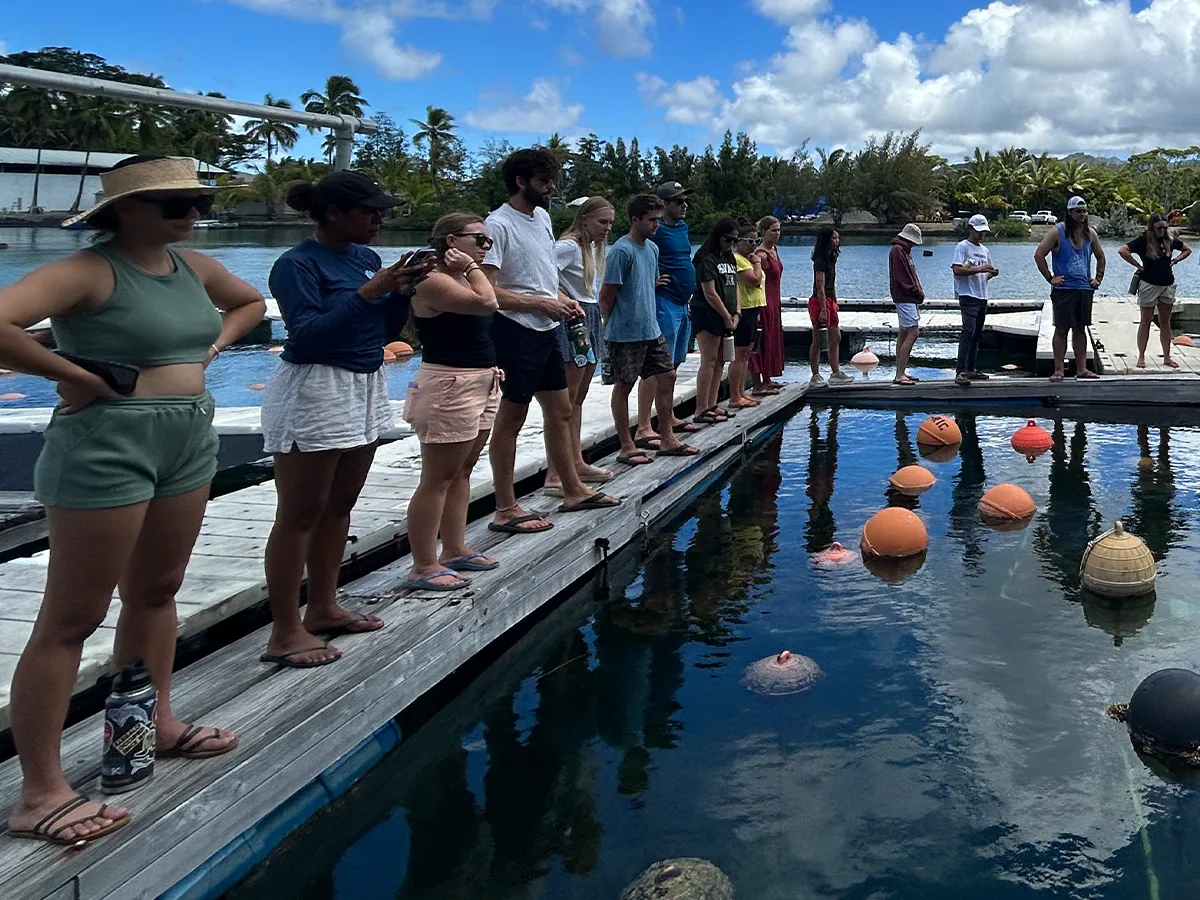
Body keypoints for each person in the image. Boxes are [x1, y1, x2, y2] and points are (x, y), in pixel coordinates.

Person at [0, 155, 264, 843]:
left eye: (197, 200)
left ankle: (156, 723)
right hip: (106, 443)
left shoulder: (193, 269)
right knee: (73, 615)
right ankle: (40, 792)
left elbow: (249, 303)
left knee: (159, 590)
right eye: (173, 202)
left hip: (186, 436)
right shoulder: (89, 270)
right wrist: (73, 375)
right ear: (124, 209)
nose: (191, 212)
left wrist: (212, 347)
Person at [261, 171, 427, 668]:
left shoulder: (365, 259)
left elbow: (380, 328)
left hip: (364, 381)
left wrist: (399, 291)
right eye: (369, 211)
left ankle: (324, 606)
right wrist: (370, 292)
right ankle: (284, 629)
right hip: (315, 386)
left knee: (339, 505)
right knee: (299, 512)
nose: (379, 220)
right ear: (333, 213)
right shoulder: (295, 265)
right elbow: (308, 335)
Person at [483, 148, 621, 534]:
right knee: (511, 419)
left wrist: (563, 301)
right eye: (544, 183)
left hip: (548, 328)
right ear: (521, 182)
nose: (551, 189)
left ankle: (571, 488)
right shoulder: (497, 225)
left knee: (561, 410)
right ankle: (506, 507)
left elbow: (542, 276)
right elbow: (488, 291)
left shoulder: (542, 218)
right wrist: (538, 303)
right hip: (515, 330)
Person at [402, 214, 501, 591]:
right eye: (478, 239)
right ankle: (423, 563)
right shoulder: (431, 279)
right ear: (450, 241)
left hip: (481, 379)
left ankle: (454, 547)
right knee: (437, 477)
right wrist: (474, 268)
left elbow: (491, 296)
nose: (484, 247)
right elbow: (487, 302)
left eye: (487, 242)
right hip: (449, 383)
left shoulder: (462, 277)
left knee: (462, 470)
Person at [600, 194, 698, 465]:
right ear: (636, 219)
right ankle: (626, 445)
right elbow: (607, 293)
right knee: (624, 385)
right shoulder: (621, 251)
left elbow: (648, 282)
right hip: (625, 332)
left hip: (651, 328)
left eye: (658, 219)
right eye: (652, 220)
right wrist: (608, 323)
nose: (657, 225)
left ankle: (667, 437)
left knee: (667, 376)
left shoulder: (652, 249)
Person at [543, 197, 615, 496]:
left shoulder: (592, 247)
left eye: (610, 223)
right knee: (566, 400)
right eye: (602, 222)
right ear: (583, 219)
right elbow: (544, 273)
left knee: (580, 396)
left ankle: (575, 460)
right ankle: (555, 473)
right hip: (572, 318)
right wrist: (562, 296)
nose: (606, 229)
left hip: (589, 313)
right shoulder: (568, 246)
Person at [636, 181, 704, 448]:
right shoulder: (657, 230)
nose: (684, 205)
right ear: (664, 205)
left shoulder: (682, 227)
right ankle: (643, 425)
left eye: (685, 200)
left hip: (681, 303)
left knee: (673, 365)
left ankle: (668, 415)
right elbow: (638, 252)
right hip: (663, 302)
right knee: (656, 366)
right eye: (678, 201)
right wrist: (650, 280)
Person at [1034, 195, 1105, 382]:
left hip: (1084, 288)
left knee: (1081, 329)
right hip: (1064, 289)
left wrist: (1097, 279)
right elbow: (1039, 254)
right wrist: (1050, 277)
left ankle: (1082, 369)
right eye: (1077, 211)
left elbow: (1101, 257)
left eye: (1084, 211)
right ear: (1069, 212)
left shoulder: (1091, 234)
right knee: (1062, 329)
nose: (1082, 214)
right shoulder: (1057, 232)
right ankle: (1058, 370)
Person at [1120, 212, 1191, 369]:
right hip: (1148, 283)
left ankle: (1167, 357)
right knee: (1145, 321)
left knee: (1165, 322)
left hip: (1167, 283)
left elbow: (1187, 249)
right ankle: (1141, 357)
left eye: (1164, 227)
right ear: (1152, 227)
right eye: (1159, 228)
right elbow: (1123, 250)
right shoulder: (1143, 240)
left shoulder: (1169, 239)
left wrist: (1176, 260)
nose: (1162, 230)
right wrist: (1138, 265)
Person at [690, 217, 741, 423]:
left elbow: (734, 285)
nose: (732, 244)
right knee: (709, 360)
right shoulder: (706, 258)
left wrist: (736, 312)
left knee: (721, 360)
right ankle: (701, 408)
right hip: (708, 313)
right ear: (718, 237)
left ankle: (712, 404)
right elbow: (709, 292)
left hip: (728, 314)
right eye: (728, 240)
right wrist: (725, 315)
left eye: (735, 240)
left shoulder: (729, 257)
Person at [951, 214, 1000, 386]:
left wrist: (991, 274)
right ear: (970, 229)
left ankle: (971, 368)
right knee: (968, 331)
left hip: (981, 295)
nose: (981, 235)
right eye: (978, 231)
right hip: (968, 295)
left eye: (983, 232)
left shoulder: (985, 251)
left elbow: (984, 275)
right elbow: (957, 270)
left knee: (977, 334)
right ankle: (961, 370)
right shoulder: (962, 247)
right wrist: (980, 269)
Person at [809, 226, 853, 385]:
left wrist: (834, 302)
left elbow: (831, 283)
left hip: (830, 300)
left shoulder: (831, 257)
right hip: (819, 300)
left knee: (836, 337)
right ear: (827, 240)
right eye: (834, 238)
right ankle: (815, 375)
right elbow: (819, 286)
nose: (837, 241)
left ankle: (835, 372)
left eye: (838, 238)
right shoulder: (820, 260)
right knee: (818, 339)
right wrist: (822, 309)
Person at [731, 220, 766, 408]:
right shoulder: (738, 259)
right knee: (740, 353)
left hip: (754, 308)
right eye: (749, 241)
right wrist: (758, 263)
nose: (753, 245)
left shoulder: (749, 259)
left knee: (747, 353)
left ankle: (742, 392)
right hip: (743, 308)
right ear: (738, 241)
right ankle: (734, 396)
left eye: (756, 240)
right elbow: (754, 280)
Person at [750, 215, 785, 395]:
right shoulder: (760, 255)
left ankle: (768, 378)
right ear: (763, 232)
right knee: (761, 341)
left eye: (778, 230)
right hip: (763, 301)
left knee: (772, 339)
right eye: (773, 231)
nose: (777, 234)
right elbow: (756, 281)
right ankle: (757, 384)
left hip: (775, 300)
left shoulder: (774, 250)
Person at [889, 223, 925, 385]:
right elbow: (902, 277)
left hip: (907, 297)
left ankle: (901, 371)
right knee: (913, 331)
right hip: (905, 297)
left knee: (904, 332)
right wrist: (915, 291)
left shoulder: (903, 251)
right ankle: (899, 374)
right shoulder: (898, 251)